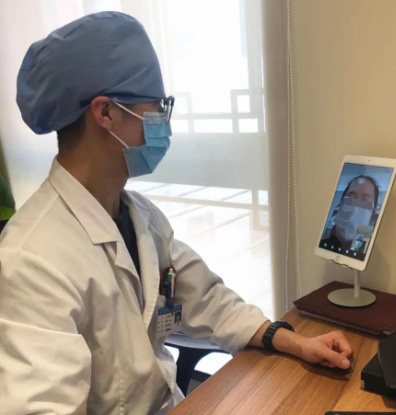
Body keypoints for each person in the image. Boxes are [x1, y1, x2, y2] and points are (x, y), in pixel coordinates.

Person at [0, 12, 353, 414]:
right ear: (105, 113)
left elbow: (205, 298)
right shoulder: (31, 260)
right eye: (157, 105)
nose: (163, 122)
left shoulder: (139, 216)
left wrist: (294, 341)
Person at [322, 175, 379, 252]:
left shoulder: (372, 252)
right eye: (350, 198)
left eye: (365, 201)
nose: (355, 207)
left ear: (373, 211)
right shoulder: (323, 244)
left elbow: (361, 244)